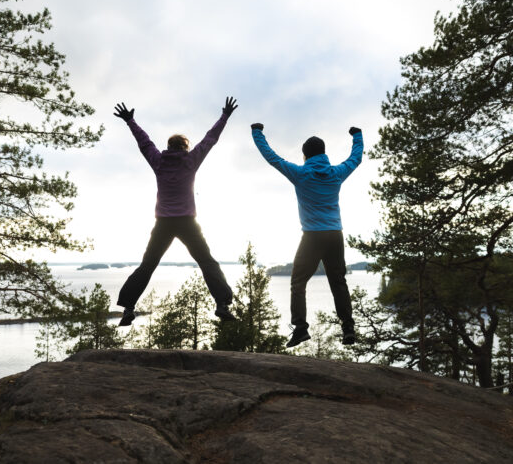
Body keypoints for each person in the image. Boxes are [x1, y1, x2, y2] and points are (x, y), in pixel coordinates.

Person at [113, 97, 239, 326]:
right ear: (185, 148)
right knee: (207, 262)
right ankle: (222, 304)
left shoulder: (159, 161)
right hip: (188, 223)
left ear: (169, 147)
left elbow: (144, 142)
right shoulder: (190, 161)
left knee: (147, 265)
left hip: (163, 223)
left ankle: (128, 308)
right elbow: (210, 139)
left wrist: (130, 120)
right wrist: (225, 116)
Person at [250, 123, 363, 347]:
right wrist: (357, 136)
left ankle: (301, 328)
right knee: (338, 282)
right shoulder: (336, 173)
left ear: (305, 155)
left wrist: (257, 133)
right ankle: (348, 327)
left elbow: (272, 158)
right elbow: (355, 159)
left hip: (312, 237)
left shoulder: (300, 173)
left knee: (298, 282)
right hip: (334, 235)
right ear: (324, 153)